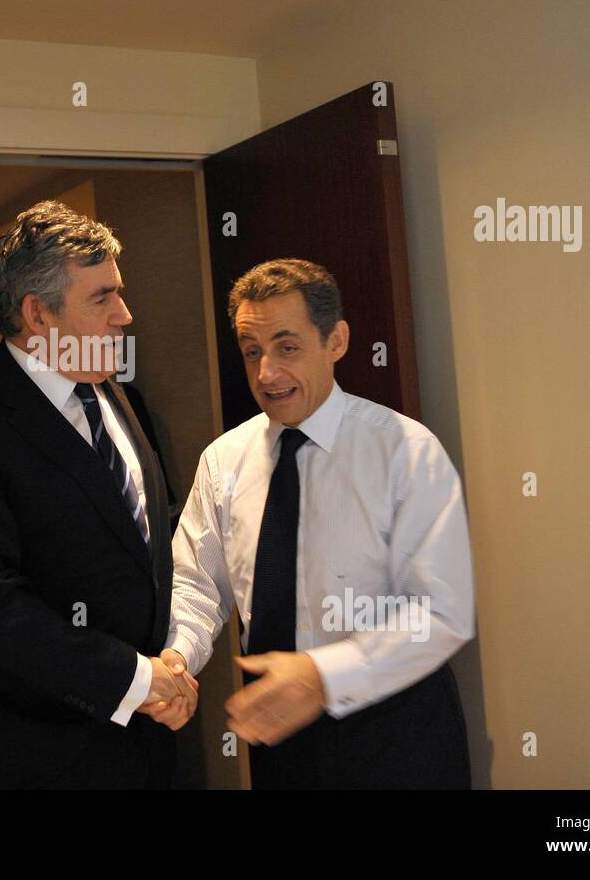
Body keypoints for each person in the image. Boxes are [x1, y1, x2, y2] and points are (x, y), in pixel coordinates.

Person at [0, 200, 197, 790]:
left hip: (147, 745)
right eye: (103, 297)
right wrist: (134, 680)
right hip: (41, 756)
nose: (125, 315)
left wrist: (171, 661)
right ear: (38, 315)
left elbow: (150, 542)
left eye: (119, 292)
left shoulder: (117, 393)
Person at [167, 258, 474, 789]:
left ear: (336, 341)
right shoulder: (224, 461)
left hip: (397, 736)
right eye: (252, 352)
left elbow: (442, 611)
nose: (267, 374)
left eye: (287, 348)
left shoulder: (404, 451)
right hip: (280, 740)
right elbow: (197, 585)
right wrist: (177, 657)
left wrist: (322, 676)